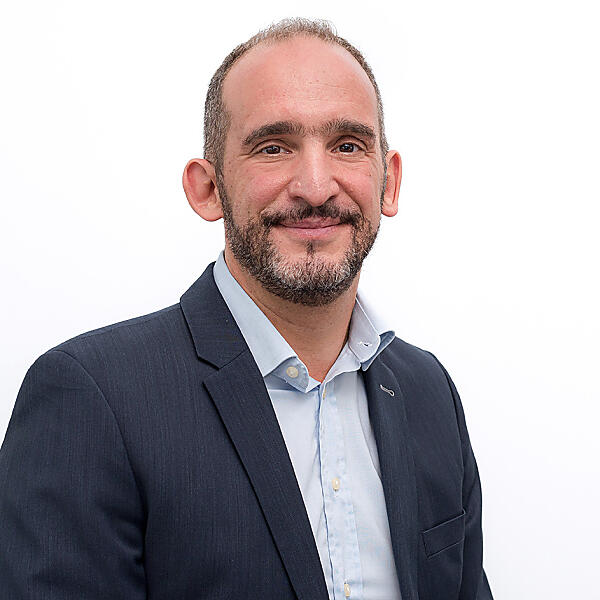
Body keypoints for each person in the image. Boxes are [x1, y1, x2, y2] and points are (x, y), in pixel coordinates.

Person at [0, 18, 493, 600]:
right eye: (273, 147)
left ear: (389, 182)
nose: (316, 186)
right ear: (207, 189)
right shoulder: (91, 399)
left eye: (347, 145)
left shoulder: (429, 392)